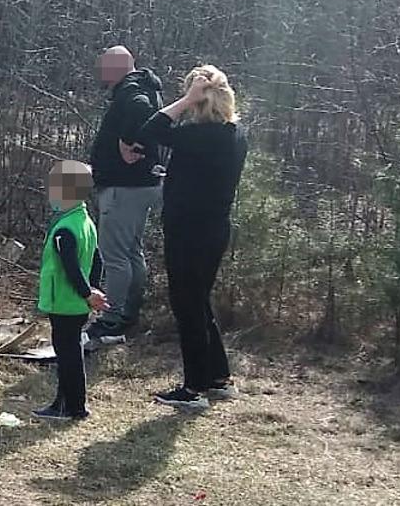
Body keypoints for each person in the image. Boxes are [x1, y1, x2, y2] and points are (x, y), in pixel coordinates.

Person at [136, 65, 250, 412]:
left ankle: (194, 389)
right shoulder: (234, 134)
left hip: (189, 231)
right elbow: (207, 174)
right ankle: (218, 378)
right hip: (213, 229)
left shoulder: (199, 136)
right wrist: (177, 175)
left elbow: (151, 129)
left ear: (200, 101)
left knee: (188, 306)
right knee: (198, 302)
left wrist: (184, 100)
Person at [86, 45, 165, 348]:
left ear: (119, 66)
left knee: (115, 255)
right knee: (131, 252)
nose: (101, 71)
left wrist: (127, 140)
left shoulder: (132, 90)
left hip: (125, 188)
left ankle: (111, 321)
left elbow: (140, 110)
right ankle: (129, 314)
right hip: (139, 185)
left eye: (104, 65)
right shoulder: (144, 86)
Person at [33, 160, 107, 422]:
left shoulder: (64, 230)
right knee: (71, 352)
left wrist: (87, 293)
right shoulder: (84, 220)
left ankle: (72, 407)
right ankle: (66, 403)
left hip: (65, 302)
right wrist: (94, 289)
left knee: (67, 356)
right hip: (78, 303)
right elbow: (97, 259)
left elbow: (71, 268)